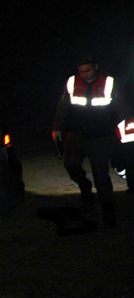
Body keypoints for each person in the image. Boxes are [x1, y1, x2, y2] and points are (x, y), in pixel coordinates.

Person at [52, 53, 126, 229]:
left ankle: (108, 213)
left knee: (101, 175)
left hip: (101, 136)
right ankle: (86, 191)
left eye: (87, 70)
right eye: (81, 71)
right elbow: (63, 105)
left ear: (96, 67)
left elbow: (122, 107)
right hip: (76, 134)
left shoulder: (109, 82)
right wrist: (57, 127)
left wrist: (124, 131)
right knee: (70, 164)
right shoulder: (72, 82)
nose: (84, 74)